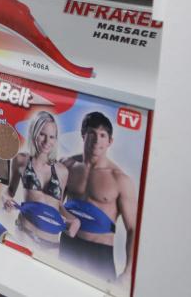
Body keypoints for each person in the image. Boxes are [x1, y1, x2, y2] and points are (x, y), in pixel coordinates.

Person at [61, 112, 138, 286]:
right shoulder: (68, 166)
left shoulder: (120, 180)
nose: (97, 140)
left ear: (110, 141)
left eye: (103, 135)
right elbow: (54, 203)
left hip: (98, 254)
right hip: (67, 244)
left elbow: (133, 228)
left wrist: (127, 273)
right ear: (83, 135)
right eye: (92, 133)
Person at [2, 111, 80, 244]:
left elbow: (58, 206)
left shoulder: (63, 171)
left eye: (52, 137)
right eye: (42, 134)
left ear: (56, 139)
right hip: (24, 233)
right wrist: (6, 199)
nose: (47, 141)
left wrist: (75, 221)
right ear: (34, 133)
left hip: (51, 243)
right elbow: (9, 191)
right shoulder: (21, 160)